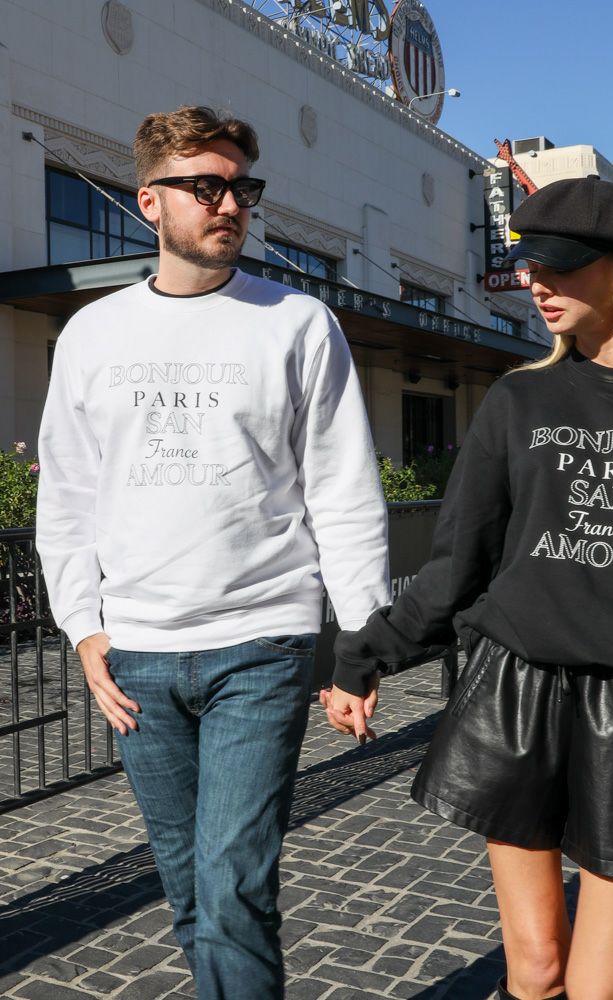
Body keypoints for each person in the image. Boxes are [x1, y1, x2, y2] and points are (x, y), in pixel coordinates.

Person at [322, 176, 613, 1000]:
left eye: (558, 265)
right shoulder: (519, 398)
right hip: (514, 691)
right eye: (529, 265)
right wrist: (364, 656)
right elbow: (459, 562)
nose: (535, 282)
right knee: (537, 971)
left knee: (598, 988)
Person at [36, 105, 390, 1000]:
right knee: (191, 892)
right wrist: (82, 627)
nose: (229, 205)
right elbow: (66, 496)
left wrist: (359, 645)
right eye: (205, 187)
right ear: (150, 201)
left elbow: (344, 490)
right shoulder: (92, 334)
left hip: (261, 643)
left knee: (233, 887)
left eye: (241, 188)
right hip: (137, 657)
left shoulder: (297, 322)